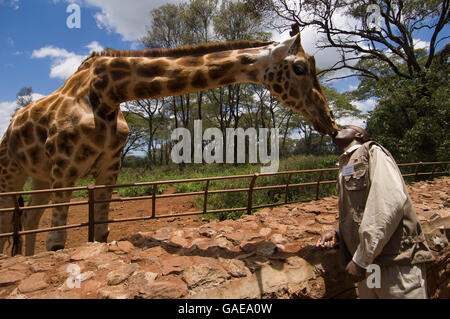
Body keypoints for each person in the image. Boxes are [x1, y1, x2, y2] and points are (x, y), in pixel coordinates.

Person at [317, 125, 434, 299]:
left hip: (394, 266)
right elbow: (360, 211)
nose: (337, 128)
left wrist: (360, 260)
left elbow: (388, 203)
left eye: (345, 127)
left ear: (359, 134)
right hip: (370, 268)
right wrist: (339, 233)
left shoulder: (373, 151)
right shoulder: (345, 163)